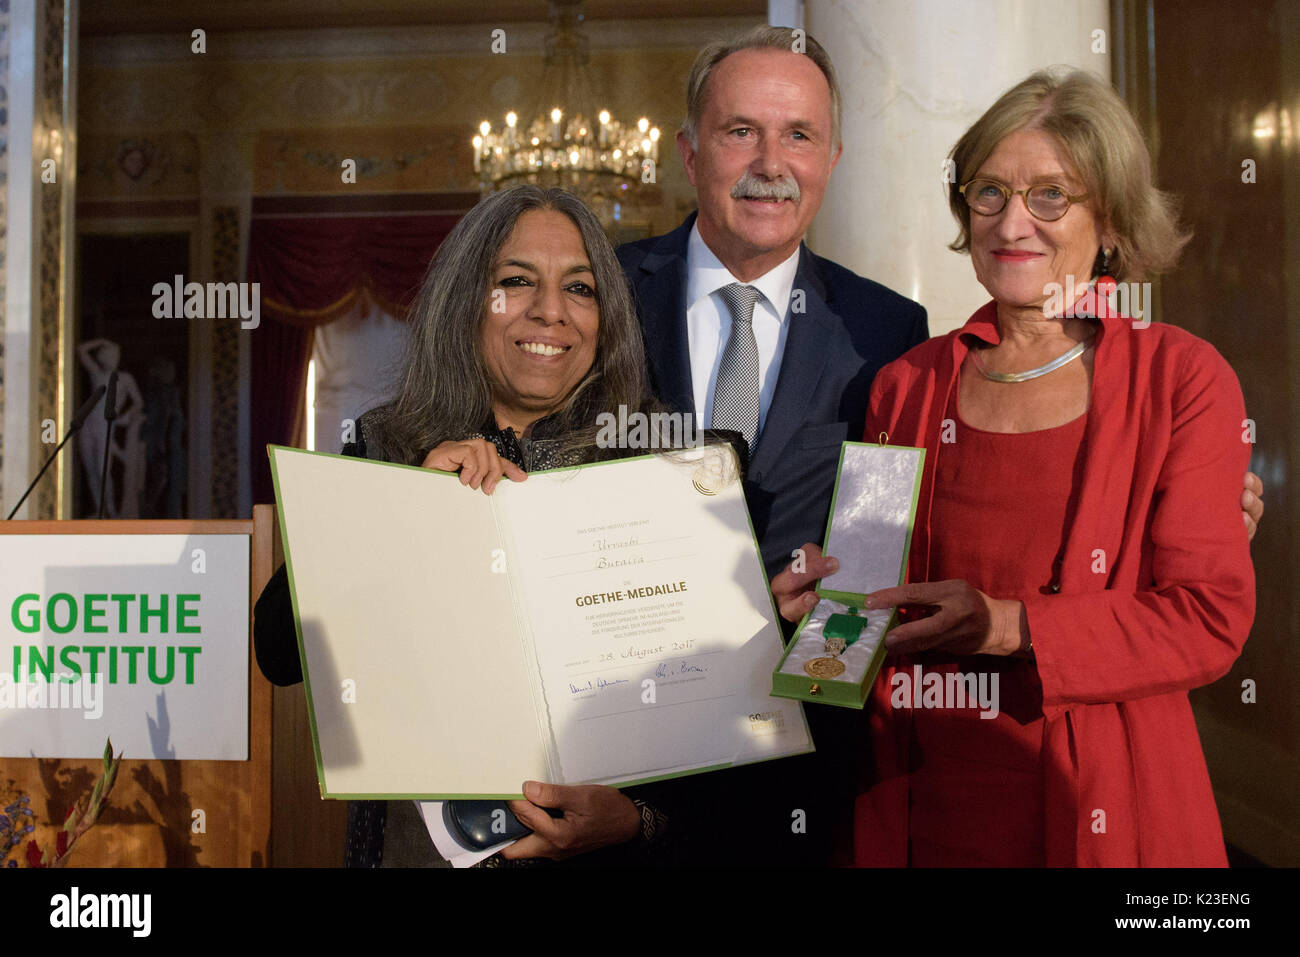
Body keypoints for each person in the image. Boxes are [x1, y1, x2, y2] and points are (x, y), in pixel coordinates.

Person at [772, 67, 1257, 866]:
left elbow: (1207, 619)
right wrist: (819, 623)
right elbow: (861, 608)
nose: (1011, 222)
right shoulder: (908, 384)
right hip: (920, 802)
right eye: (988, 192)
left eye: (1051, 196)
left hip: (1105, 805)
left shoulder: (1183, 379)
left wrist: (1009, 626)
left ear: (1110, 219)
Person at [255, 184, 711, 866]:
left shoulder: (660, 464)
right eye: (516, 281)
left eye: (579, 288)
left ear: (607, 316)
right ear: (468, 301)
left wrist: (636, 819)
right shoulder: (387, 444)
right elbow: (280, 651)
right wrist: (407, 514)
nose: (549, 311)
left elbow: (712, 723)